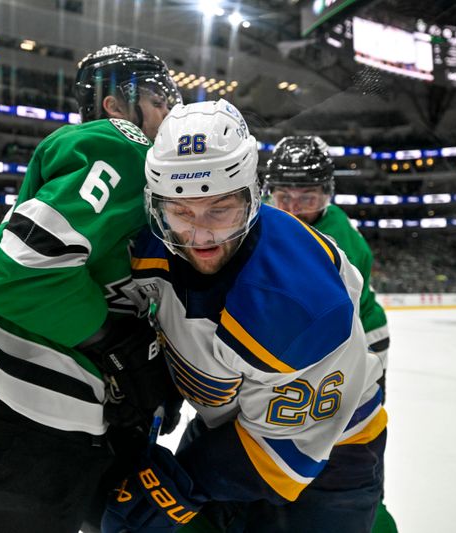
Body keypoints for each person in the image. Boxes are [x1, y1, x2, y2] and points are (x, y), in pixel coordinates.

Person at [0, 45, 182, 533]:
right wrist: (114, 343)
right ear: (116, 106)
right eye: (159, 100)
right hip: (8, 394)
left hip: (64, 419)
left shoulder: (153, 192)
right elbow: (26, 274)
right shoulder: (123, 144)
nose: (170, 115)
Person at [103, 100, 387, 533]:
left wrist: (178, 484)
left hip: (331, 452)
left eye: (220, 209)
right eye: (181, 211)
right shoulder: (151, 240)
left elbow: (284, 455)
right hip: (230, 418)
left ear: (253, 197)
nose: (199, 236)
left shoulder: (300, 306)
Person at [263, 135, 396, 533]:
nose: (294, 210)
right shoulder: (283, 224)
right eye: (284, 197)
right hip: (340, 344)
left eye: (307, 199)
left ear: (327, 195)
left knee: (348, 452)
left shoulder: (334, 240)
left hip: (363, 347)